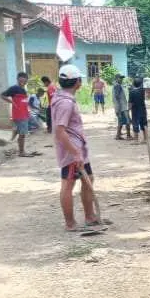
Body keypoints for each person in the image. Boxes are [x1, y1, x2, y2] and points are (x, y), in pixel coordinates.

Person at [52, 64, 100, 232]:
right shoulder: (65, 103)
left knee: (89, 179)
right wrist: (74, 153)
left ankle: (90, 216)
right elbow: (60, 131)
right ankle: (70, 223)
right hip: (72, 151)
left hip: (77, 149)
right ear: (78, 82)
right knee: (68, 184)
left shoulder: (64, 98)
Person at [0, 72, 33, 157]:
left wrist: (28, 111)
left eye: (25, 80)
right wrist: (11, 102)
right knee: (22, 134)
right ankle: (21, 152)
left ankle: (21, 150)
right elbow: (2, 95)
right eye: (22, 80)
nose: (23, 82)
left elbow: (24, 102)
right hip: (19, 115)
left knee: (22, 134)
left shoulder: (23, 90)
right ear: (18, 79)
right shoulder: (14, 88)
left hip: (24, 114)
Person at [129, 77, 148, 143]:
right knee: (144, 124)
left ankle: (136, 140)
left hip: (135, 111)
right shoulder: (142, 90)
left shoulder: (131, 92)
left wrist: (128, 109)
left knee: (135, 124)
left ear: (133, 84)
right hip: (143, 110)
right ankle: (145, 139)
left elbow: (130, 103)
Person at [113, 75, 132, 140]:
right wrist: (119, 109)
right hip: (122, 108)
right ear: (116, 79)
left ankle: (118, 135)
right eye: (120, 78)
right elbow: (117, 97)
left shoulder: (116, 85)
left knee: (120, 121)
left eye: (122, 78)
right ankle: (128, 135)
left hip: (120, 107)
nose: (121, 79)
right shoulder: (117, 86)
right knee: (127, 121)